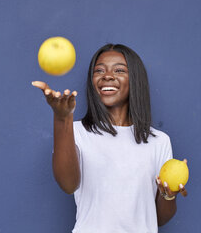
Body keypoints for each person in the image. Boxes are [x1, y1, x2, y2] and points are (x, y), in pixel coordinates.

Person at [32, 44, 188, 233]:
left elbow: (159, 218)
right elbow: (67, 184)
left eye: (119, 70)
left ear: (135, 80)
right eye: (99, 70)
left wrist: (169, 196)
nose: (107, 75)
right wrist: (62, 118)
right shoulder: (76, 131)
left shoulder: (158, 141)